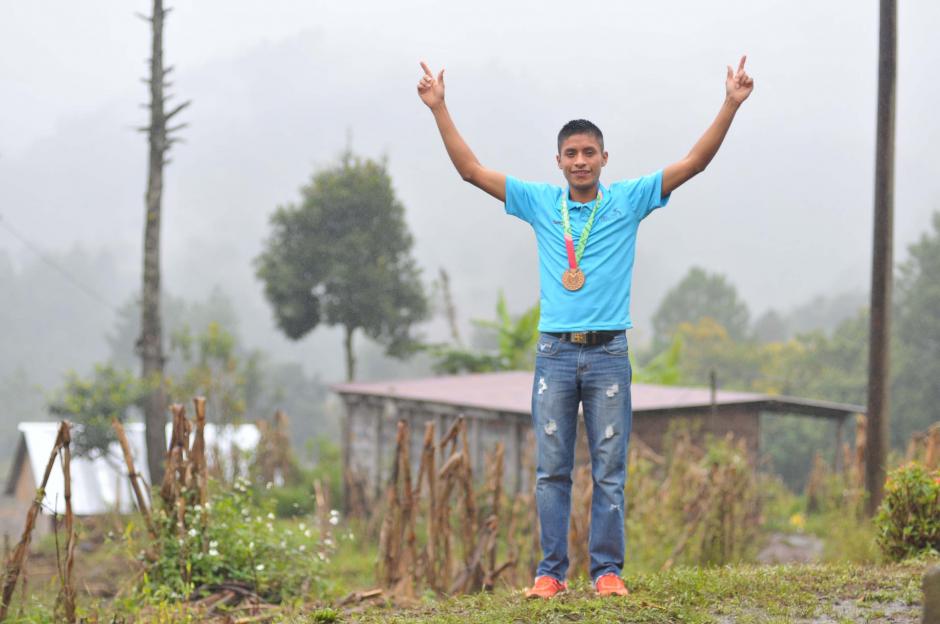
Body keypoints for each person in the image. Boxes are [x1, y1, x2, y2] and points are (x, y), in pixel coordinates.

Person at [416, 57, 754, 599]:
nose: (580, 161)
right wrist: (439, 107)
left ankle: (607, 573)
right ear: (558, 161)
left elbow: (694, 162)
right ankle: (550, 573)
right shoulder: (539, 202)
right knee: (552, 470)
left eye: (588, 153)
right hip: (554, 355)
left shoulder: (628, 199)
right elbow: (471, 171)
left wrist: (731, 104)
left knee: (609, 470)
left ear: (603, 158)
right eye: (571, 154)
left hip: (608, 355)